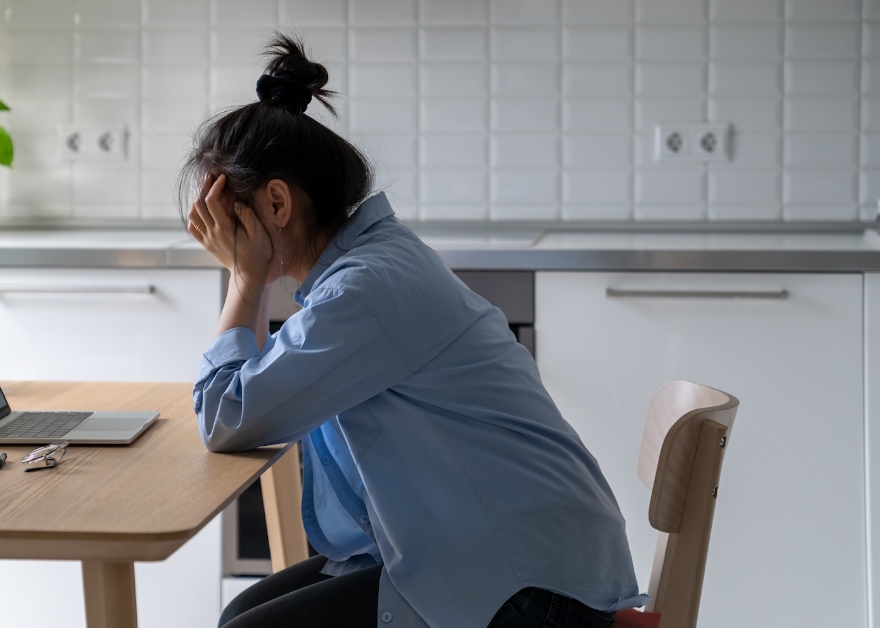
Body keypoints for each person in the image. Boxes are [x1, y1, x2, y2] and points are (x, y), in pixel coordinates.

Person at [181, 34, 647, 628]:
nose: (218, 231)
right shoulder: (367, 267)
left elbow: (226, 418)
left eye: (226, 213)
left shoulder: (362, 291)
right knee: (244, 611)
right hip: (521, 555)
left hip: (532, 586)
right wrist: (247, 272)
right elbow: (247, 403)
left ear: (277, 203)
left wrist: (245, 280)